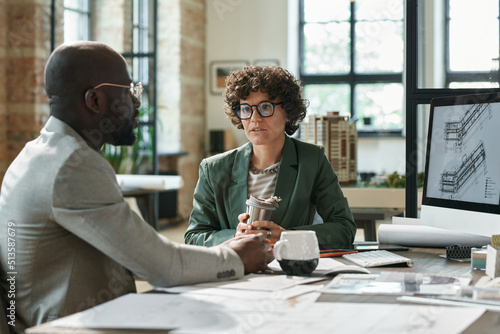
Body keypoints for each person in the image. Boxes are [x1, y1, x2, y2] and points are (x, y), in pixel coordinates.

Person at [0, 41, 271, 333]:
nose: (138, 102)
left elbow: (140, 253)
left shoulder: (39, 153)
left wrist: (227, 247)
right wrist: (238, 257)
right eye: (129, 91)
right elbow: (162, 267)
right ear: (95, 101)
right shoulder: (72, 166)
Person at [185, 66, 356, 248]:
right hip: (237, 271)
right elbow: (195, 236)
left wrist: (287, 236)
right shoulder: (213, 169)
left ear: (288, 112)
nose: (255, 118)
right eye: (246, 109)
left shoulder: (312, 160)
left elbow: (344, 228)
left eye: (265, 107)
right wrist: (234, 238)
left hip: (291, 270)